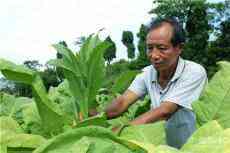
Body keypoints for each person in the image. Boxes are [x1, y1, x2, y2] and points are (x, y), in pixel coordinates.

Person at [96, 17, 207, 149]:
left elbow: (165, 111)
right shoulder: (147, 73)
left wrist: (121, 131)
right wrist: (95, 119)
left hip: (194, 148)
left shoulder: (193, 72)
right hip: (161, 149)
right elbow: (122, 102)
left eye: (162, 48)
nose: (154, 55)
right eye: (150, 48)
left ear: (179, 48)